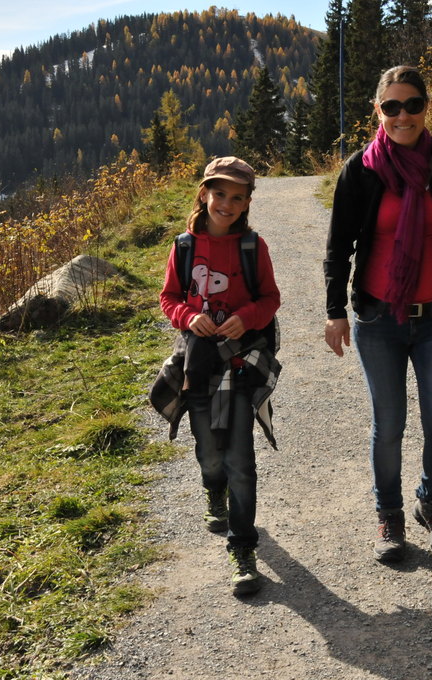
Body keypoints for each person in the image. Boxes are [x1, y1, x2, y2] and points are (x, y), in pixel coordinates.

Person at [323, 65, 432, 563]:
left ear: (426, 107)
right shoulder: (360, 170)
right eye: (392, 106)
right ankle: (389, 514)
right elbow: (339, 247)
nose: (403, 116)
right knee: (390, 423)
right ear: (378, 111)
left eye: (413, 105)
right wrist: (335, 311)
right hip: (379, 320)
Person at [151, 156, 281, 595]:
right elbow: (169, 298)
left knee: (241, 462)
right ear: (204, 193)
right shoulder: (185, 246)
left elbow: (270, 298)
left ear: (247, 203)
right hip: (199, 365)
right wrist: (189, 317)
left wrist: (247, 318)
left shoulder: (253, 247)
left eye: (237, 197)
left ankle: (242, 547)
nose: (227, 203)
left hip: (241, 365)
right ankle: (213, 488)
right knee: (209, 453)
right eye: (219, 193)